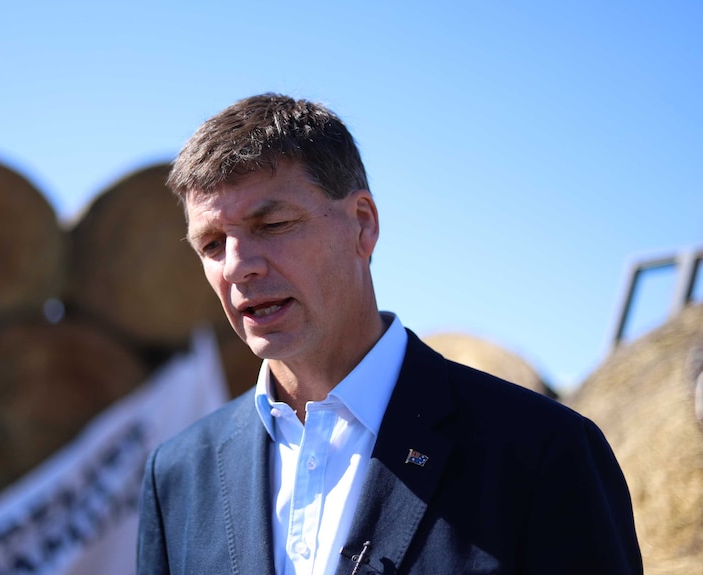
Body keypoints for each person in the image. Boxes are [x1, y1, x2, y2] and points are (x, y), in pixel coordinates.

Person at [137, 93, 642, 574]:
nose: (238, 266)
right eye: (211, 244)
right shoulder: (175, 478)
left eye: (273, 225)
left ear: (363, 224)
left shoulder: (544, 451)